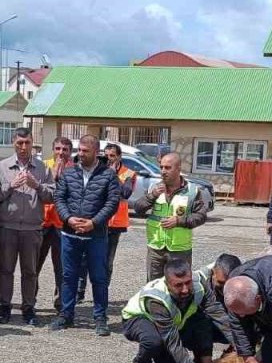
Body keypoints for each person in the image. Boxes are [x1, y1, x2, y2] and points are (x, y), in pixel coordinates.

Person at [121, 259, 234, 363]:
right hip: (138, 319)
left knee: (203, 321)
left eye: (188, 282)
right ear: (167, 284)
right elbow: (173, 342)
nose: (185, 289)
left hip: (173, 321)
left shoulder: (200, 284)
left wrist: (241, 346)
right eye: (178, 285)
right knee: (153, 341)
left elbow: (218, 314)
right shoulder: (156, 300)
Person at [49, 134, 120, 336]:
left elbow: (112, 202)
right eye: (79, 150)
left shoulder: (108, 175)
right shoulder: (69, 173)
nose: (80, 154)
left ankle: (100, 318)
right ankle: (66, 314)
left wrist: (93, 222)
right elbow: (59, 198)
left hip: (96, 236)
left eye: (85, 151)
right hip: (70, 234)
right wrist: (68, 218)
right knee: (68, 276)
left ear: (96, 152)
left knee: (99, 278)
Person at [0, 127, 53, 325]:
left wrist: (37, 186)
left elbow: (52, 196)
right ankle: (4, 308)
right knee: (6, 269)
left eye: (27, 143)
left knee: (30, 271)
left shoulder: (43, 168)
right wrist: (11, 186)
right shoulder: (2, 167)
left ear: (33, 143)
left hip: (32, 229)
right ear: (13, 143)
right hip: (8, 227)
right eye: (19, 143)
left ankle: (28, 308)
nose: (23, 147)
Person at [131, 152, 208, 281]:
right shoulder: (154, 188)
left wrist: (179, 220)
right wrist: (152, 196)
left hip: (180, 250)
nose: (163, 171)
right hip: (156, 248)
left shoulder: (192, 191)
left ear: (178, 169)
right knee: (153, 286)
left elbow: (201, 216)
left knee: (179, 287)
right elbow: (138, 209)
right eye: (161, 167)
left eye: (168, 168)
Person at [36, 136, 73, 311]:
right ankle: (30, 299)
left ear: (70, 152)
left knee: (62, 267)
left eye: (65, 150)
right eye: (58, 149)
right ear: (53, 149)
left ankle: (60, 303)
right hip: (42, 222)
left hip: (62, 225)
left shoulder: (75, 169)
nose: (61, 153)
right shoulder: (42, 166)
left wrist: (62, 175)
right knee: (34, 264)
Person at [103, 143, 137, 282]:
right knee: (86, 258)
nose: (109, 159)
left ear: (119, 157)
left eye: (112, 156)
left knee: (108, 260)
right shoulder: (98, 170)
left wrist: (113, 176)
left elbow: (125, 193)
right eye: (106, 156)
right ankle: (80, 291)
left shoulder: (128, 173)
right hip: (97, 220)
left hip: (115, 223)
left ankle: (103, 289)